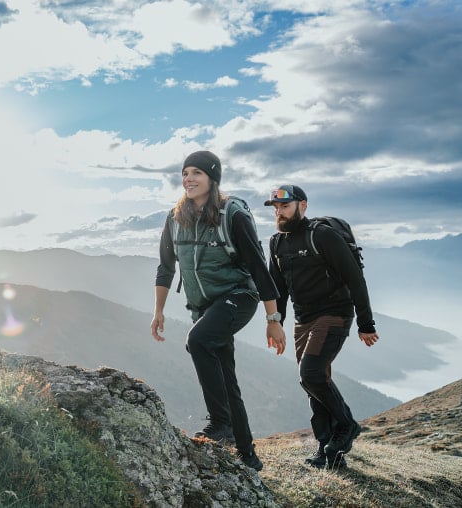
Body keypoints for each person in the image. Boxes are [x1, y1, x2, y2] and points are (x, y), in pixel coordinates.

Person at [151, 150, 285, 472]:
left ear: (213, 178)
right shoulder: (174, 219)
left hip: (239, 297)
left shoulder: (232, 215)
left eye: (196, 172)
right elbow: (166, 267)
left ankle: (220, 423)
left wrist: (273, 319)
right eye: (185, 173)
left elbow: (258, 267)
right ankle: (248, 456)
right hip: (204, 307)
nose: (189, 179)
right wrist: (159, 311)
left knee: (197, 342)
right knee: (226, 375)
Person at [264, 184, 379, 469]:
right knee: (313, 384)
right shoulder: (276, 243)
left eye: (285, 206)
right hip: (303, 320)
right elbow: (279, 291)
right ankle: (328, 451)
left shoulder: (322, 236)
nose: (279, 212)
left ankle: (346, 425)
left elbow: (355, 279)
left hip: (334, 314)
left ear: (302, 206)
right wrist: (275, 323)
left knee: (311, 374)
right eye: (276, 208)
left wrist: (366, 323)